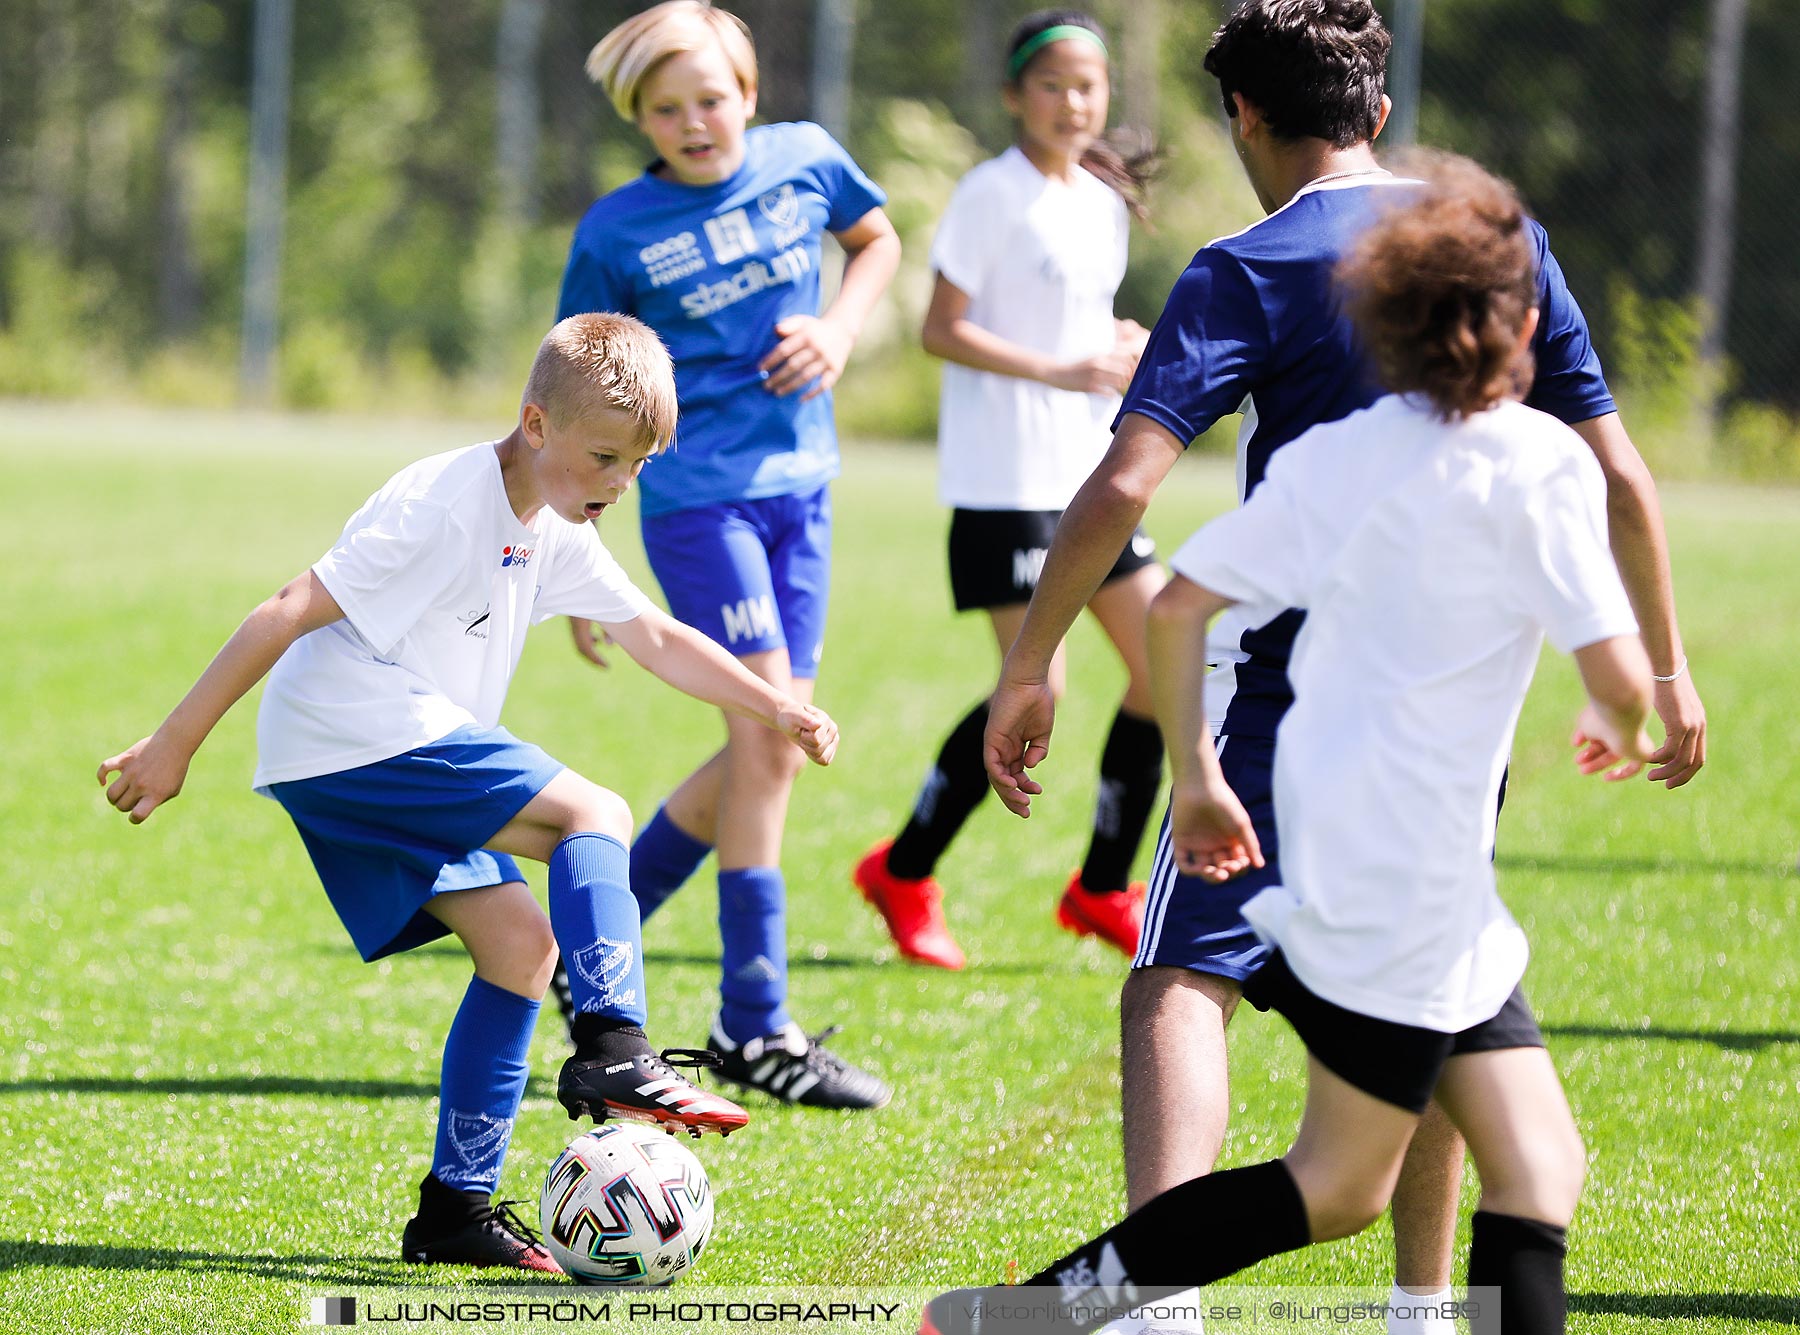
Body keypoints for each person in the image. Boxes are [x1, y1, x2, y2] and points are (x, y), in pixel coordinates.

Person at [976, 1, 1707, 1327]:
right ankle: (1423, 1306)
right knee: (1461, 1091)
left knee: (1184, 984)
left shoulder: (1259, 298)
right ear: (1375, 111)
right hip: (1448, 737)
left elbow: (1127, 489)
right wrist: (1658, 677)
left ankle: (1124, 1299)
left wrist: (1037, 663)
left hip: (1287, 708)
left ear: (1246, 117)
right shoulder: (1501, 255)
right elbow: (1619, 475)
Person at [97, 313, 840, 1272]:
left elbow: (652, 634)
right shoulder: (444, 503)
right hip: (353, 730)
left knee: (521, 948)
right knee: (595, 812)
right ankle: (614, 1040)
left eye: (638, 466)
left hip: (371, 743)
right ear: (536, 424)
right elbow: (286, 608)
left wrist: (774, 705)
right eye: (605, 456)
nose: (619, 484)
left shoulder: (555, 521)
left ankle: (453, 1212)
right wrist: (173, 744)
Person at [554, 0, 901, 1112]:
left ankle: (587, 954)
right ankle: (753, 1025)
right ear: (640, 121)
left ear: (748, 94)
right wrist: (571, 548)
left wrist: (842, 327)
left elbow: (878, 238)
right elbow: (574, 397)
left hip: (806, 491)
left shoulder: (805, 162)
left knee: (771, 746)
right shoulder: (615, 231)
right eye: (666, 108)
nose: (694, 122)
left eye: (710, 98)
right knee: (771, 736)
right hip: (699, 505)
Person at [851, 10, 1165, 971]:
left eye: (1090, 85)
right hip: (1004, 484)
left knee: (1168, 666)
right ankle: (903, 871)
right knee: (1041, 683)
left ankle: (1103, 885)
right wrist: (1060, 367)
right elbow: (941, 329)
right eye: (1054, 85)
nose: (1075, 102)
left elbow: (1084, 323)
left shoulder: (1103, 198)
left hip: (1088, 477)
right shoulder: (991, 193)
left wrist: (1119, 349)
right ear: (1013, 96)